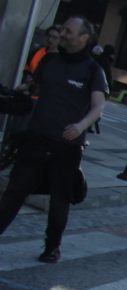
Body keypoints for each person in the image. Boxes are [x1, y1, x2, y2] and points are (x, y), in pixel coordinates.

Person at [0, 16, 106, 263]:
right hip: (36, 138)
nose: (63, 34)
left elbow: (99, 106)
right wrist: (20, 91)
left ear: (83, 38)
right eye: (64, 30)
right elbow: (32, 87)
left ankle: (52, 247)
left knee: (61, 198)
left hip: (67, 146)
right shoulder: (49, 60)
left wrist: (80, 126)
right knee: (15, 191)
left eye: (69, 31)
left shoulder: (93, 70)